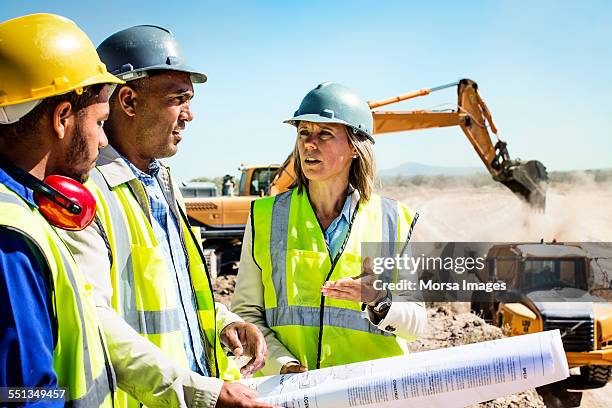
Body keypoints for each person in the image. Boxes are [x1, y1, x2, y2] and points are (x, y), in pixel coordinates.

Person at [61, 25, 271, 408]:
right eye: (179, 99)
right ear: (127, 101)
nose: (189, 115)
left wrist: (225, 323)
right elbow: (93, 321)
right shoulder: (87, 194)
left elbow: (174, 295)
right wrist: (201, 394)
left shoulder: (162, 183)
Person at [232, 82, 427, 375]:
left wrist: (380, 301)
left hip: (372, 392)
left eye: (325, 134)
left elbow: (417, 324)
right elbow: (246, 314)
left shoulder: (393, 220)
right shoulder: (265, 217)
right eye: (303, 133)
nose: (310, 144)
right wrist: (283, 366)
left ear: (355, 147)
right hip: (295, 393)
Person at [0, 13, 123, 406]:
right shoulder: (11, 239)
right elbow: (23, 396)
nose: (103, 141)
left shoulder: (21, 208)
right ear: (62, 118)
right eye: (101, 121)